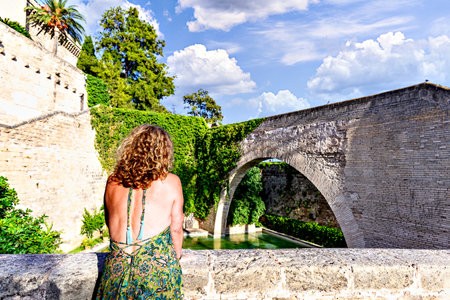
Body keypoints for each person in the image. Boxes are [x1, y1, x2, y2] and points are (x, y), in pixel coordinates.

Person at [96, 124, 184, 299]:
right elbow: (176, 229)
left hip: (117, 269)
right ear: (163, 152)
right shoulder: (172, 182)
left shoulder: (112, 181)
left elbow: (109, 221)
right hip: (155, 273)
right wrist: (176, 257)